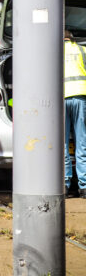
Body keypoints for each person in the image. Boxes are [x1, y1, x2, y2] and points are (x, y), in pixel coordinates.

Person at [65, 29, 86, 198]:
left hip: (61, 99)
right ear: (73, 39)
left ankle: (64, 184)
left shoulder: (53, 51)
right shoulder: (82, 50)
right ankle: (84, 186)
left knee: (62, 144)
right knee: (81, 142)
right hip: (80, 97)